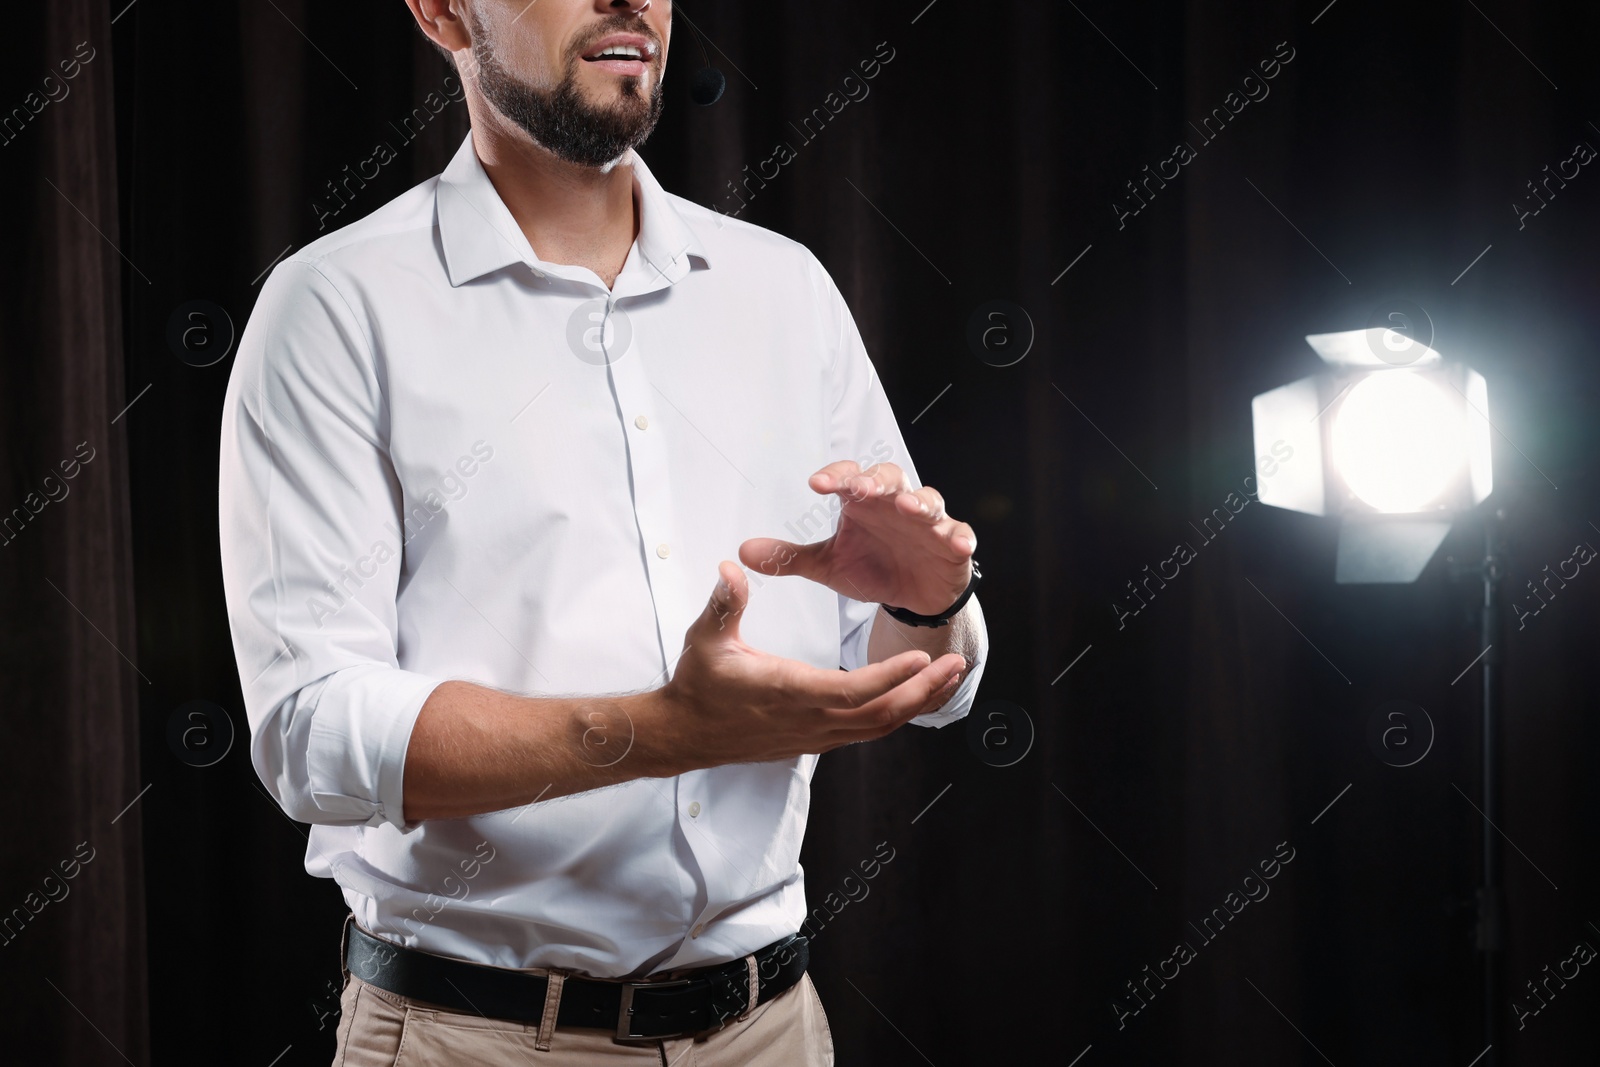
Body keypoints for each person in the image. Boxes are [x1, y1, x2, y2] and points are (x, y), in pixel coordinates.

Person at [218, 0, 989, 1062]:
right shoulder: (334, 306)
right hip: (475, 1035)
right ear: (443, 14)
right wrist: (665, 729)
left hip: (772, 1027)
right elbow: (311, 733)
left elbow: (916, 674)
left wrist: (924, 602)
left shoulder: (785, 290)